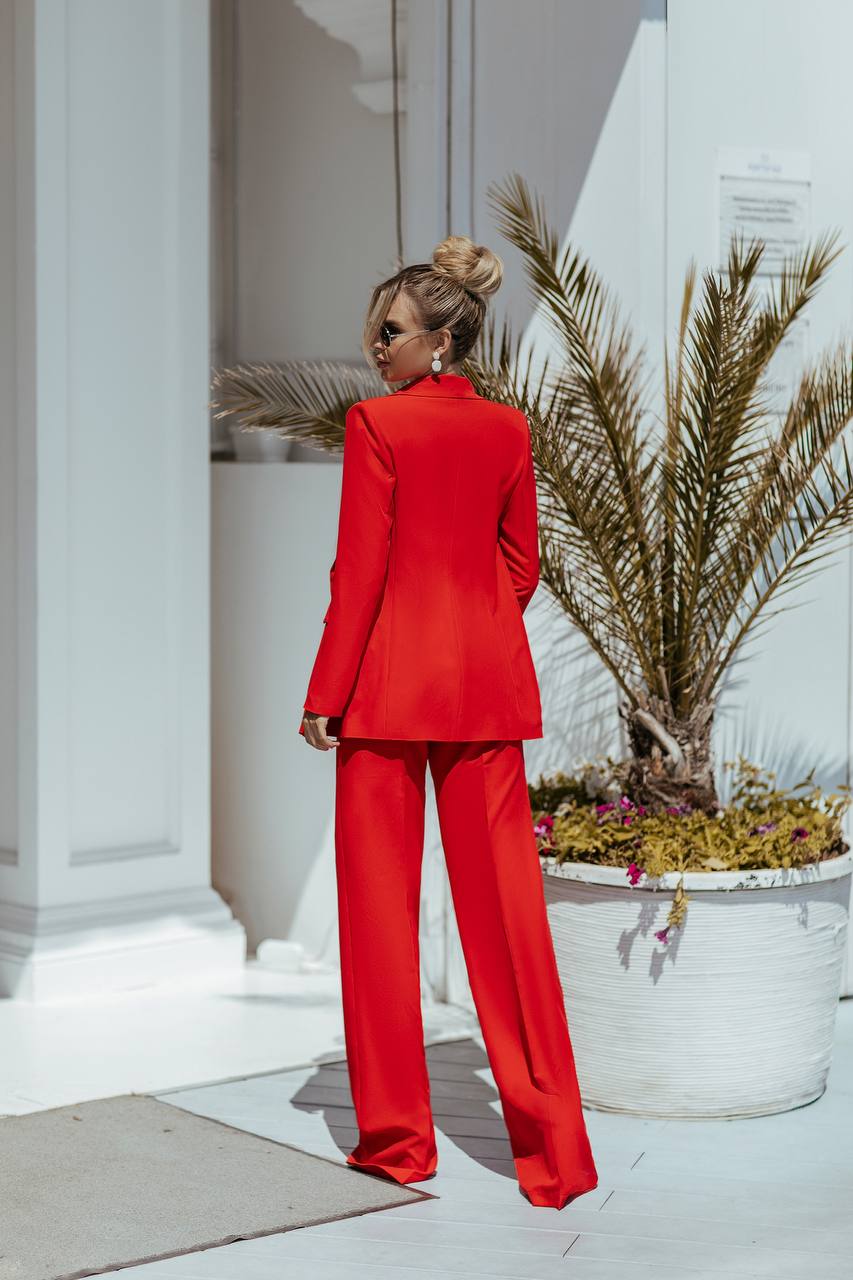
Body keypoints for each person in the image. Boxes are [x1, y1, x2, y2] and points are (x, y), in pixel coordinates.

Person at [297, 235, 598, 1209]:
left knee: (379, 921)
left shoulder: (375, 425)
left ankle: (398, 1143)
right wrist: (466, 628)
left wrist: (325, 690)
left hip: (382, 696)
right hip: (483, 691)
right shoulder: (508, 431)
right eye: (373, 331)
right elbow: (521, 566)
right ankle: (555, 1156)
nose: (373, 346)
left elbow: (361, 571)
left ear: (442, 340)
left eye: (389, 331)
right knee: (509, 922)